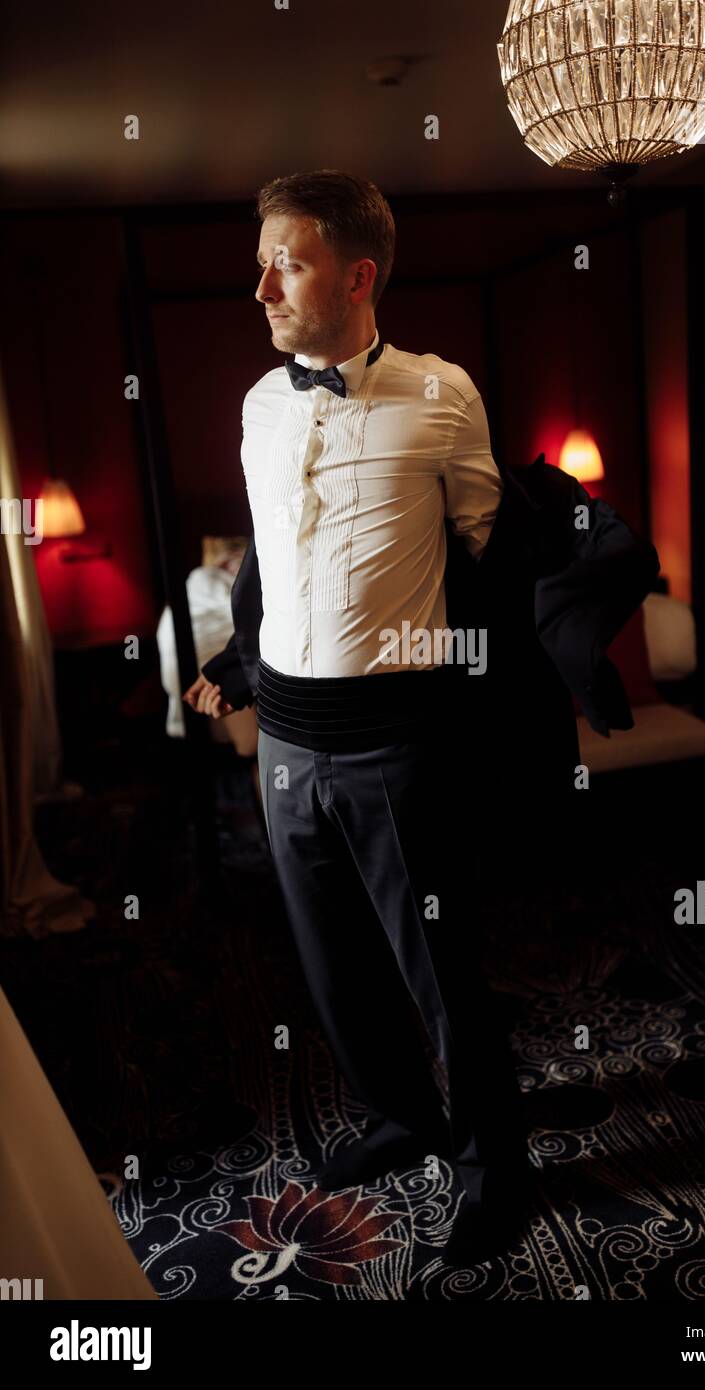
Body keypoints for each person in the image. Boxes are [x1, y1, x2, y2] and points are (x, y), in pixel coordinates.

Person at [183, 170, 533, 1268]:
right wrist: (235, 666)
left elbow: (492, 555)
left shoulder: (444, 395)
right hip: (283, 746)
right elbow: (267, 568)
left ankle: (492, 1166)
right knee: (332, 966)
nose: (262, 287)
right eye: (264, 263)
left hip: (399, 745)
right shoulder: (255, 403)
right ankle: (402, 1116)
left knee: (439, 967)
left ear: (356, 273)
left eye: (284, 262)